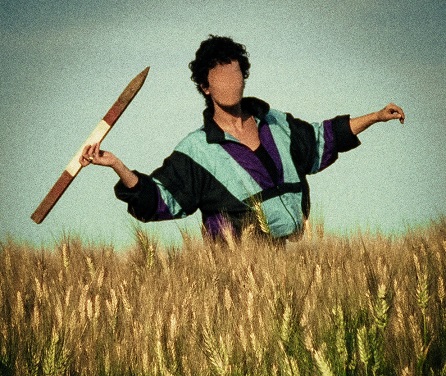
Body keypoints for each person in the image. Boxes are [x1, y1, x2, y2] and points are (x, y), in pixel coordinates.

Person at [80, 35, 405, 242]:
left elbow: (323, 138)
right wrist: (117, 165)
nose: (230, 83)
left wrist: (375, 117)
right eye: (220, 78)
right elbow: (162, 199)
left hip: (293, 263)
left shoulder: (277, 123)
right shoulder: (197, 150)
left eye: (235, 75)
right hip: (236, 272)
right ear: (205, 87)